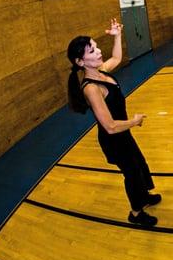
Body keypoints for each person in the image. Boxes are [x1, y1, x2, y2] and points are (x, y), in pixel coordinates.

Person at [67, 19, 161, 226]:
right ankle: (136, 213)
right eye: (92, 51)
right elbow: (109, 126)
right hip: (114, 140)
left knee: (140, 164)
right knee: (132, 174)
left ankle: (144, 196)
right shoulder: (91, 88)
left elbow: (117, 57)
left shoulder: (102, 71)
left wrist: (117, 35)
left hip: (122, 135)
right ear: (80, 62)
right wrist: (134, 122)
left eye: (96, 46)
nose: (99, 51)